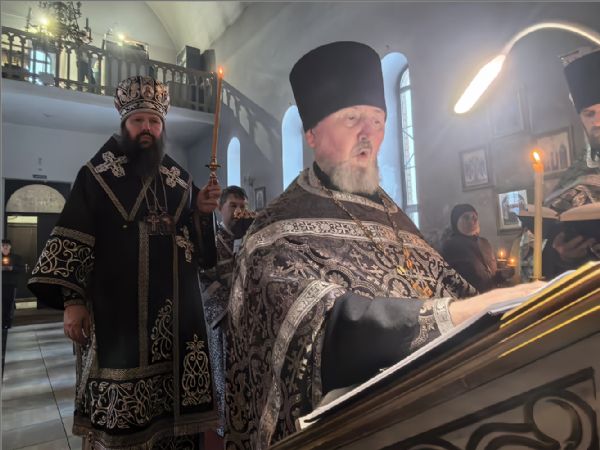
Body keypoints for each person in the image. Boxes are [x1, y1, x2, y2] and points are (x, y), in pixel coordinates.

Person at [224, 41, 543, 449]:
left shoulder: (394, 217)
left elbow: (452, 288)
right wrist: (454, 315)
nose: (368, 134)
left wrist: (512, 304)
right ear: (311, 135)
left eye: (378, 120)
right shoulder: (273, 232)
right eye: (352, 118)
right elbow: (315, 330)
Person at [28, 75, 222, 449]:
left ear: (162, 127)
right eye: (138, 120)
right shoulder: (96, 175)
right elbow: (74, 237)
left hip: (174, 329)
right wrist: (73, 301)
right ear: (124, 124)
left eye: (154, 121)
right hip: (117, 322)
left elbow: (201, 252)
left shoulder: (179, 180)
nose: (146, 127)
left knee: (173, 426)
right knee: (121, 424)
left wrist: (200, 211)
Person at [200, 185, 254, 438]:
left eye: (242, 206)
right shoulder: (209, 244)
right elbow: (203, 280)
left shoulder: (251, 240)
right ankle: (226, 425)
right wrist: (229, 310)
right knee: (225, 374)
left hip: (250, 322)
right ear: (220, 208)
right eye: (233, 206)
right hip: (224, 323)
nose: (238, 211)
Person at [541, 47, 600, 278]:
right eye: (589, 114)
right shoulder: (571, 183)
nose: (597, 122)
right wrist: (560, 256)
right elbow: (534, 257)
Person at [442, 204, 513, 293]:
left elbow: (490, 276)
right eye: (466, 217)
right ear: (456, 221)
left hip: (491, 295)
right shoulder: (451, 246)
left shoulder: (484, 243)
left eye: (474, 217)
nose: (472, 220)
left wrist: (502, 275)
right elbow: (453, 279)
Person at [2, 239, 24, 370]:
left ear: (10, 247)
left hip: (11, 284)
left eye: (6, 246)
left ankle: (7, 322)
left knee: (9, 303)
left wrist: (11, 268)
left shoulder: (16, 257)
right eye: (3, 246)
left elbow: (21, 269)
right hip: (1, 284)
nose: (5, 248)